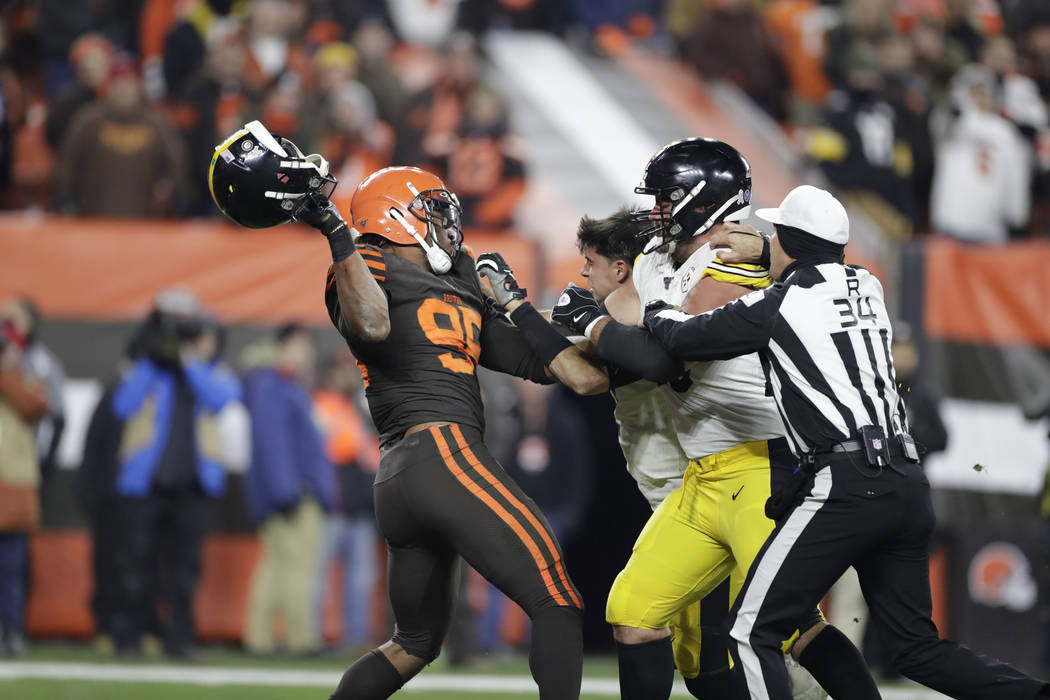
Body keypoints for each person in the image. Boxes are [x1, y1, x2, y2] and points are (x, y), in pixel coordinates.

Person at [207, 123, 607, 699]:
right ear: (398, 216)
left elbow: (550, 366)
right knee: (558, 600)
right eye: (432, 209)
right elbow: (371, 323)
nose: (447, 221)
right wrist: (332, 227)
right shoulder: (361, 258)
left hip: (404, 476)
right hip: (439, 451)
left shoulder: (461, 279)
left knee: (415, 643)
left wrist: (520, 305)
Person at [643, 184, 1050, 700]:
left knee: (750, 631)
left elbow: (679, 337)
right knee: (917, 648)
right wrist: (770, 249)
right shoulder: (868, 284)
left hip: (846, 483)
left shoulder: (779, 303)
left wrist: (654, 297)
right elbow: (818, 264)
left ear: (788, 241)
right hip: (905, 481)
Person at [550, 139, 872, 700]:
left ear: (700, 200)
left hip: (764, 465)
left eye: (666, 199)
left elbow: (656, 356)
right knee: (634, 610)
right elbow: (621, 315)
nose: (656, 211)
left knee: (790, 625)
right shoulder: (662, 257)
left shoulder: (737, 262)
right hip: (703, 474)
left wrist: (593, 324)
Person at [109, 290, 241, 658]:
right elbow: (123, 406)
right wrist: (153, 359)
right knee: (137, 565)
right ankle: (130, 638)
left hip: (193, 486)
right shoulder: (146, 366)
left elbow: (222, 399)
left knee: (185, 571)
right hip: (145, 485)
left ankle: (179, 640)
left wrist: (189, 361)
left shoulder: (210, 370)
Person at [242, 323, 336, 655]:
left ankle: (259, 639)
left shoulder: (280, 384)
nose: (306, 353)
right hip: (294, 492)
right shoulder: (274, 384)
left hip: (287, 490)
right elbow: (272, 442)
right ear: (282, 347)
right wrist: (286, 490)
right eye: (300, 345)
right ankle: (301, 639)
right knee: (298, 566)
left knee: (275, 566)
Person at [312, 350, 381, 651]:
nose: (351, 377)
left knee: (360, 580)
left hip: (361, 507)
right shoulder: (322, 404)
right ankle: (316, 637)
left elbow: (372, 456)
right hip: (333, 506)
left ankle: (355, 639)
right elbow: (341, 450)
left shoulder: (357, 407)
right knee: (321, 577)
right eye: (343, 371)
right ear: (330, 374)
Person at [0, 317, 49, 657]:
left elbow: (35, 406)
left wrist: (6, 371)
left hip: (13, 486)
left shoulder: (26, 379)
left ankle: (12, 630)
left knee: (11, 569)